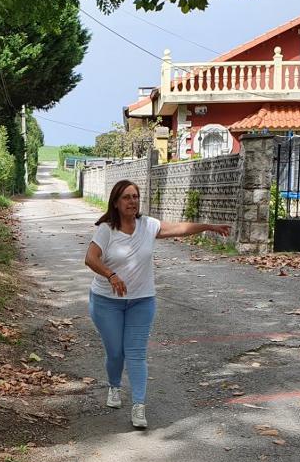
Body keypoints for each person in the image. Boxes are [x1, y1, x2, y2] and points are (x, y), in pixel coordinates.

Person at [83, 180, 230, 429]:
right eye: (127, 197)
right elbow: (90, 258)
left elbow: (180, 228)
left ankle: (139, 406)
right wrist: (111, 275)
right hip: (107, 302)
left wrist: (209, 226)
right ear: (116, 203)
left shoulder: (148, 226)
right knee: (116, 353)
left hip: (142, 300)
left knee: (136, 353)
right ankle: (114, 387)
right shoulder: (107, 230)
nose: (132, 201)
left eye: (136, 196)